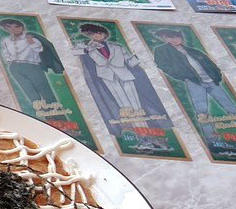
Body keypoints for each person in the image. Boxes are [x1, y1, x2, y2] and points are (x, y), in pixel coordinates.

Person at [72, 23, 168, 151]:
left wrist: (142, 57)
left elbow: (132, 61)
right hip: (108, 78)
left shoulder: (117, 46)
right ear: (89, 35)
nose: (97, 35)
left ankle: (148, 136)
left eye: (99, 33)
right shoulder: (88, 47)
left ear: (105, 34)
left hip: (125, 75)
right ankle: (143, 138)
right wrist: (86, 48)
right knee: (125, 108)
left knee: (136, 107)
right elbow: (75, 51)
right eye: (93, 34)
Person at [150, 28, 236, 151]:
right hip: (194, 83)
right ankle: (213, 142)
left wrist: (217, 76)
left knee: (232, 109)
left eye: (174, 37)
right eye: (167, 38)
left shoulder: (193, 51)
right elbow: (163, 65)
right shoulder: (162, 50)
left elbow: (210, 64)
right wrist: (185, 76)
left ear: (180, 36)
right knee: (202, 112)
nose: (172, 40)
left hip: (212, 81)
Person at [0, 18, 63, 110]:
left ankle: (56, 113)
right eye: (9, 27)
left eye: (16, 26)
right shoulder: (6, 40)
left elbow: (39, 49)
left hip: (32, 66)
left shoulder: (30, 37)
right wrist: (10, 62)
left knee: (44, 89)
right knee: (29, 91)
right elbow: (5, 53)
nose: (13, 29)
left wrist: (31, 41)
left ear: (22, 27)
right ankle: (41, 113)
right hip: (15, 67)